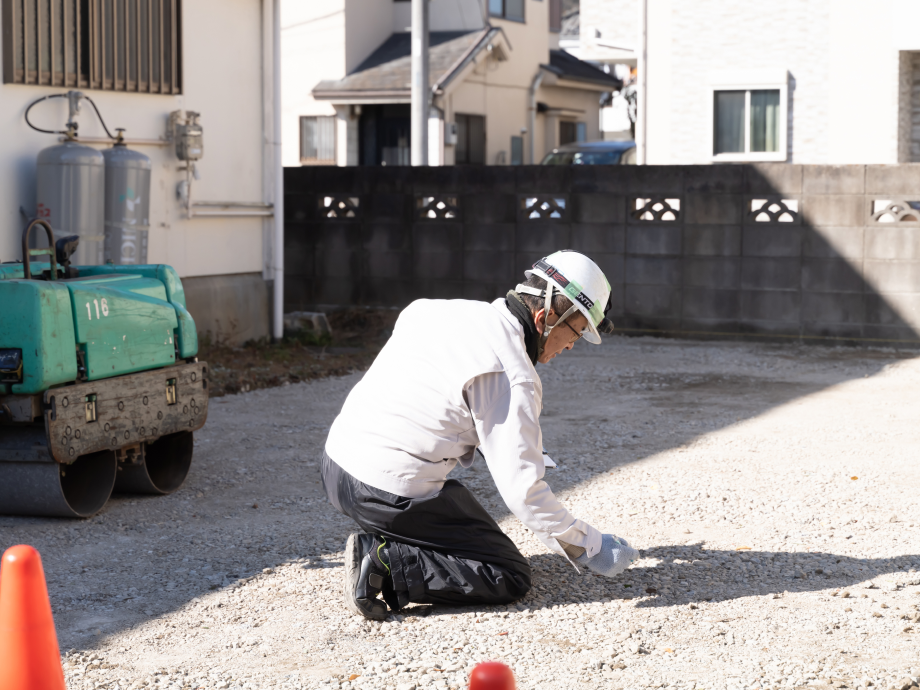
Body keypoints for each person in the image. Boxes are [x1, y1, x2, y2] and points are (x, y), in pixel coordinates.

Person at [321, 250, 639, 619]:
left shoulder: (438, 309)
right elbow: (524, 493)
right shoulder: (512, 373)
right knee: (507, 574)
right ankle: (383, 564)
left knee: (457, 505)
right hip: (384, 492)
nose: (571, 345)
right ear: (548, 315)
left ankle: (396, 539)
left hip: (335, 464)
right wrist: (591, 546)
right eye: (577, 331)